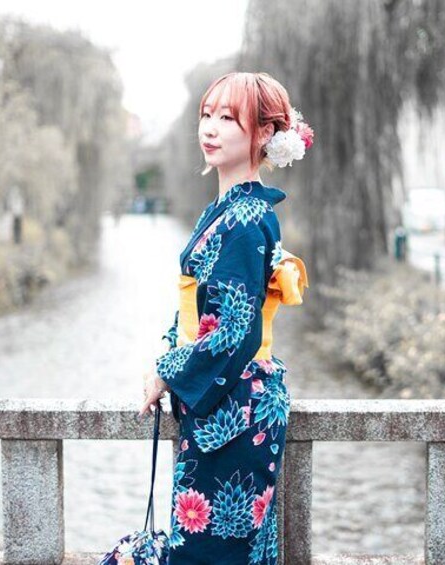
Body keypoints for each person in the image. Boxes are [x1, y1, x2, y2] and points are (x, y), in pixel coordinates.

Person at [137, 71, 313, 564]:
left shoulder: (245, 219)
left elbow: (235, 330)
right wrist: (170, 353)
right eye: (206, 115)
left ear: (263, 132)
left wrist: (167, 372)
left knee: (212, 554)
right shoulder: (225, 211)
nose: (210, 129)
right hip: (227, 401)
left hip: (236, 407)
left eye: (228, 119)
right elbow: (195, 309)